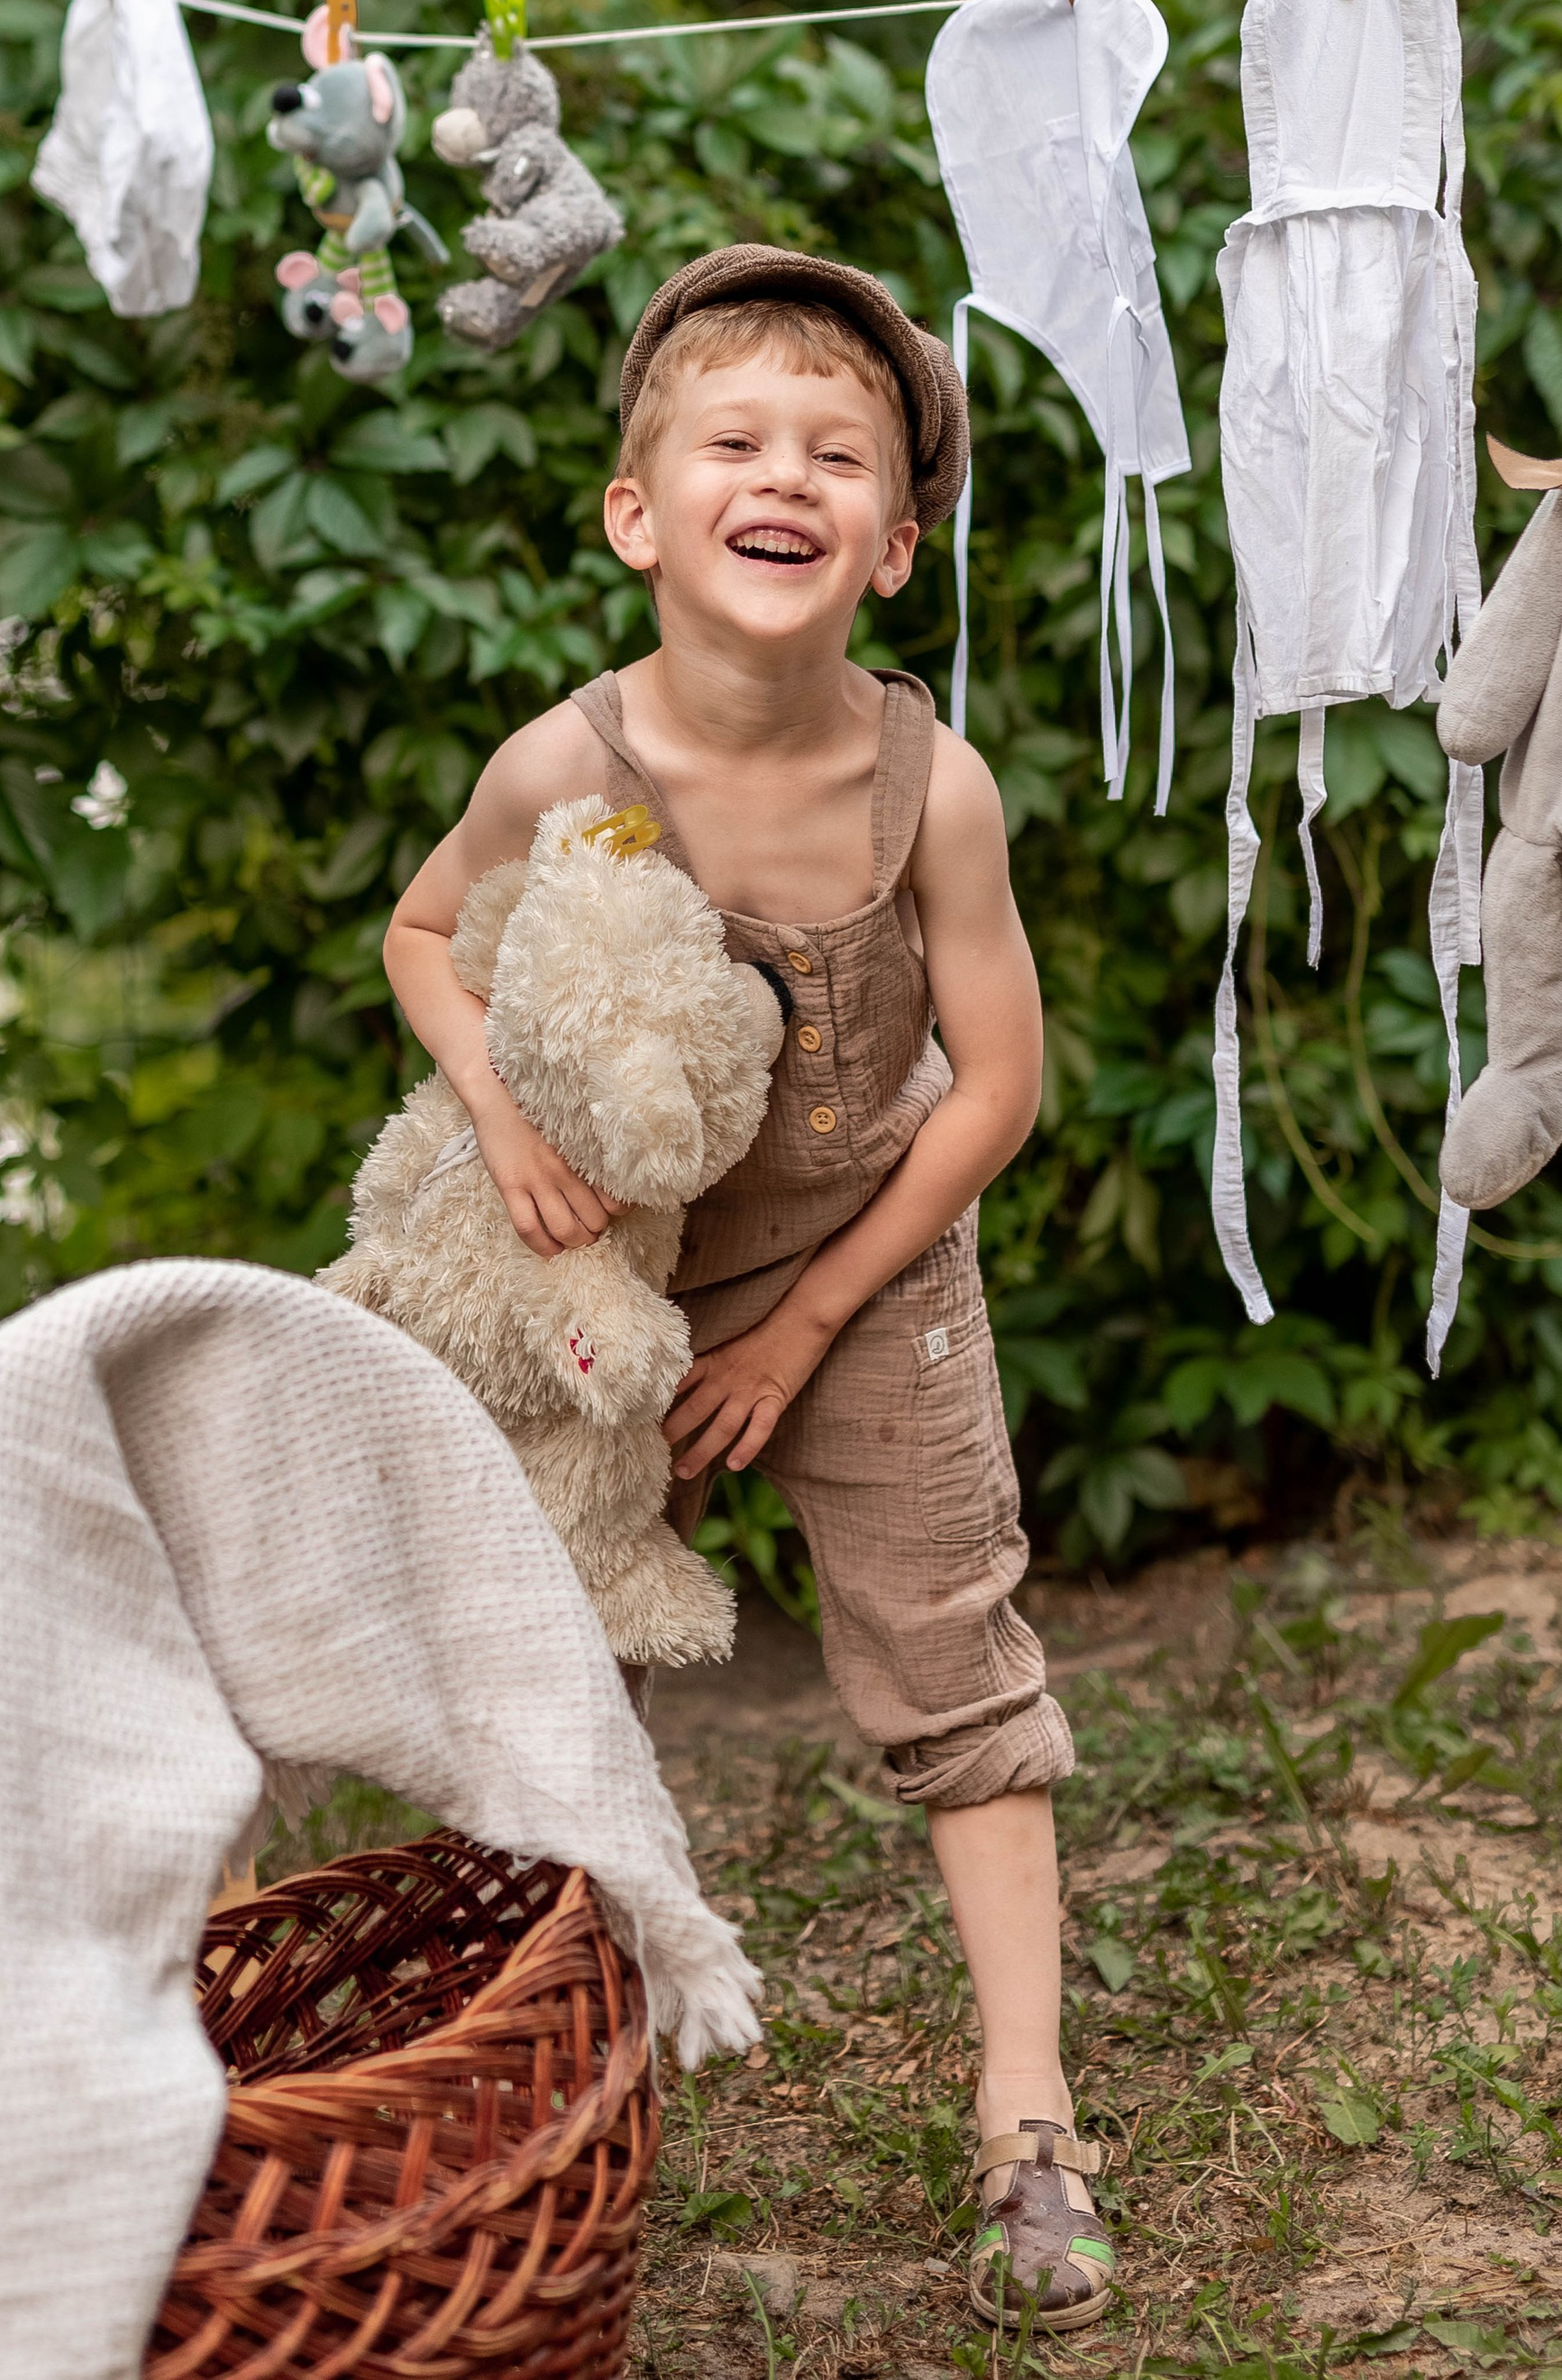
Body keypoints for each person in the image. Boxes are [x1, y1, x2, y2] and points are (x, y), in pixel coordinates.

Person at [384, 243, 1112, 2330]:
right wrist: (501, 1125)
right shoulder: (563, 767)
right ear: (638, 514)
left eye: (836, 455)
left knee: (952, 1658)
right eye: (734, 441)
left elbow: (997, 1088)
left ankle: (1029, 2117)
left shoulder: (928, 787)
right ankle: (532, 2091)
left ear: (889, 548)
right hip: (612, 1274)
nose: (782, 474)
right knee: (555, 1650)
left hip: (866, 1269)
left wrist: (802, 1325)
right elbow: (423, 936)